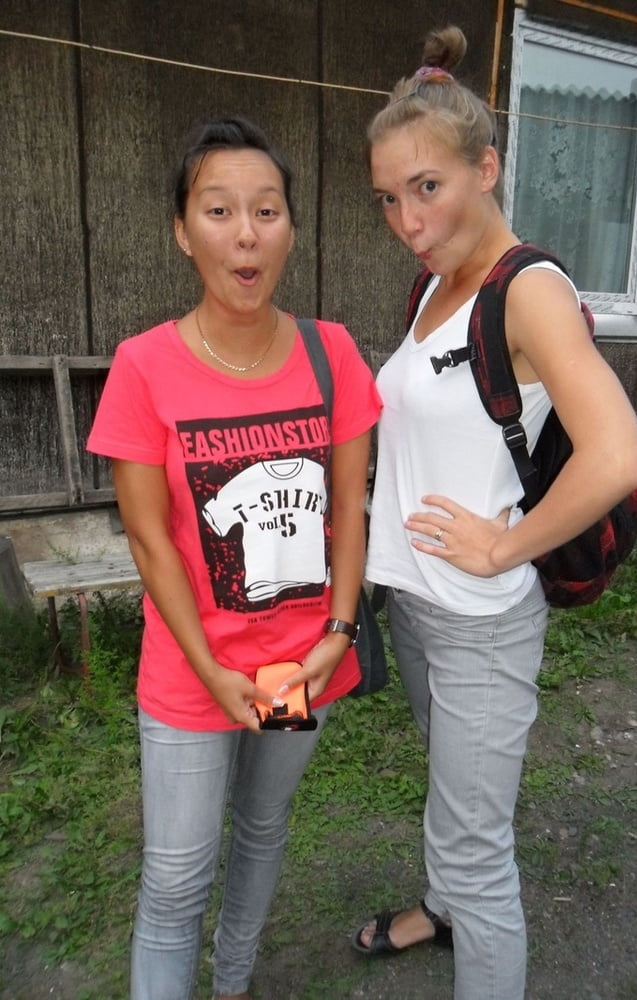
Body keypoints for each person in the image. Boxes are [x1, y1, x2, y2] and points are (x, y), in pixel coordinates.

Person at [352, 26, 637, 1000]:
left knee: (478, 851)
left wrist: (504, 546)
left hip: (479, 622)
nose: (406, 218)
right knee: (455, 802)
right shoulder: (437, 283)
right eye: (388, 197)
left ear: (486, 169)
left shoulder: (529, 290)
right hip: (418, 604)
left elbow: (619, 454)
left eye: (426, 187)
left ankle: (462, 907)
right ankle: (440, 910)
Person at [87, 116, 381, 1000]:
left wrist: (337, 632)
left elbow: (349, 509)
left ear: (290, 228)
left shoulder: (333, 354)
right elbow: (150, 541)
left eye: (266, 210)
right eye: (219, 210)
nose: (246, 233)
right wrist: (214, 672)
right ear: (184, 231)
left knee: (260, 829)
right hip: (192, 676)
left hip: (299, 665)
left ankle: (235, 982)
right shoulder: (144, 367)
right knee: (177, 875)